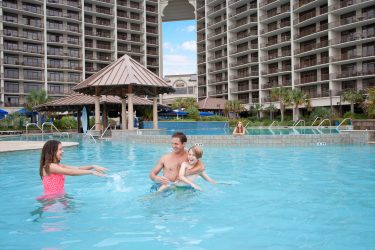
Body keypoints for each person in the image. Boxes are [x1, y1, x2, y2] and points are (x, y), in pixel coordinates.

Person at [39, 140, 107, 196]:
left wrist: (92, 166)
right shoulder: (49, 166)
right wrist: (91, 172)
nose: (63, 151)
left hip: (60, 197)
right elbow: (71, 172)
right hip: (51, 200)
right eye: (60, 149)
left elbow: (78, 169)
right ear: (52, 152)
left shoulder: (59, 166)